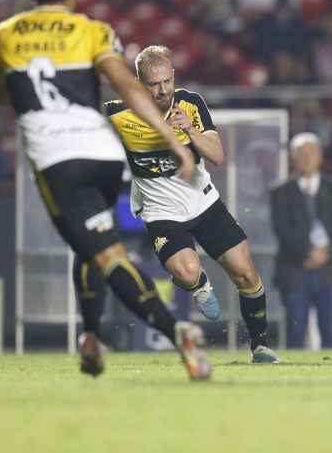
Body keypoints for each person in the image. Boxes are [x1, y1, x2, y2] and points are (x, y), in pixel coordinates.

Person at [0, 0, 210, 380]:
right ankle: (90, 335)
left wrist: (26, 90)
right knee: (92, 244)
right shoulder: (92, 30)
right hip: (103, 154)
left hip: (58, 160)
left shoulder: (6, 34)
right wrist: (173, 143)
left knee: (107, 254)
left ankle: (177, 332)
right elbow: (125, 84)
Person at [97, 44, 280, 364]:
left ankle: (260, 346)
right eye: (154, 85)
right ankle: (199, 286)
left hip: (204, 204)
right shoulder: (117, 112)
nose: (163, 90)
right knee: (186, 272)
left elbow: (219, 156)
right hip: (161, 213)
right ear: (140, 84)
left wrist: (190, 130)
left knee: (246, 273)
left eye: (167, 81)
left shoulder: (190, 103)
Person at [270, 133, 332, 349]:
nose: (306, 158)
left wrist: (325, 253)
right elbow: (281, 229)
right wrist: (307, 253)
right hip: (296, 269)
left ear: (320, 157)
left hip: (329, 270)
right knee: (295, 334)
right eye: (301, 154)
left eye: (311, 153)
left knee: (330, 334)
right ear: (293, 158)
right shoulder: (280, 191)